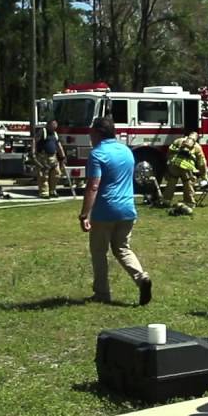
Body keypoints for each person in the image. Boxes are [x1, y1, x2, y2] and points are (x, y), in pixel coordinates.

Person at [80, 115, 152, 305]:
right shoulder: (127, 151)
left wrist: (84, 213)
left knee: (99, 252)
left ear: (97, 133)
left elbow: (93, 185)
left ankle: (102, 294)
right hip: (128, 209)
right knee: (122, 248)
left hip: (105, 210)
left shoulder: (97, 154)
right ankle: (141, 277)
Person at [161, 131, 208, 210]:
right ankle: (189, 202)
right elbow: (201, 162)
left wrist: (169, 162)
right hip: (186, 168)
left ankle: (166, 201)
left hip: (175, 165)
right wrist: (204, 175)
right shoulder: (197, 147)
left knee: (171, 183)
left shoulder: (179, 141)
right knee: (188, 185)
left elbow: (169, 150)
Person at [33, 118, 67, 199]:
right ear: (48, 125)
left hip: (53, 157)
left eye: (55, 125)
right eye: (53, 125)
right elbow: (34, 141)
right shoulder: (42, 132)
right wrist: (33, 153)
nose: (54, 126)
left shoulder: (55, 134)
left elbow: (59, 145)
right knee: (44, 176)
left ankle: (52, 191)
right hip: (43, 157)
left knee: (56, 174)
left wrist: (62, 156)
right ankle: (44, 192)